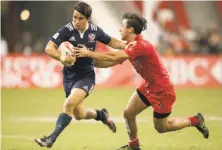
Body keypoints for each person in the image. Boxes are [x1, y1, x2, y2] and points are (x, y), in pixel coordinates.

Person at [73, 13, 209, 150]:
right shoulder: (130, 45)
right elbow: (110, 62)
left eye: (122, 26)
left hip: (163, 91)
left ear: (130, 30)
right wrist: (87, 62)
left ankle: (195, 120)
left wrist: (89, 53)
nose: (120, 29)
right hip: (149, 86)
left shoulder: (141, 46)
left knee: (162, 127)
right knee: (128, 114)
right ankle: (134, 146)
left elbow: (113, 56)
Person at [34, 1, 126, 148]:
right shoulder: (66, 30)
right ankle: (101, 115)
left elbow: (112, 42)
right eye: (74, 17)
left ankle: (50, 139)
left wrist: (127, 45)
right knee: (79, 114)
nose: (76, 21)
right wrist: (62, 58)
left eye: (80, 18)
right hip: (69, 77)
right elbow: (49, 48)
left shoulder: (95, 31)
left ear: (87, 19)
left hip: (86, 77)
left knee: (69, 104)